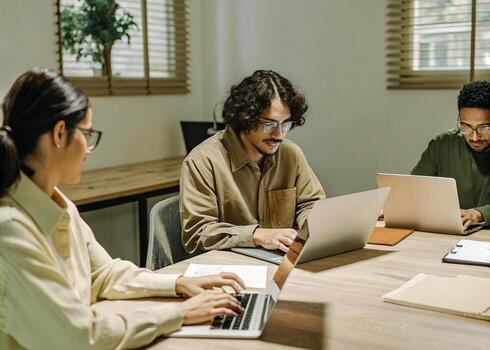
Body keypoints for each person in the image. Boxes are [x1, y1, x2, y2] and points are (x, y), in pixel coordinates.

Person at [0, 69, 245, 350]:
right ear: (58, 133)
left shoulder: (60, 204)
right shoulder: (10, 232)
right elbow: (79, 337)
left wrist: (178, 283)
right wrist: (180, 314)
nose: (90, 148)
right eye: (87, 134)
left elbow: (104, 274)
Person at [180, 70, 325, 254]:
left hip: (279, 262)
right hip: (228, 270)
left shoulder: (291, 154)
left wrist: (311, 227)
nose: (279, 134)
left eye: (285, 124)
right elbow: (197, 234)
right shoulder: (202, 161)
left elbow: (312, 204)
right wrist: (256, 235)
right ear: (245, 118)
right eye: (269, 124)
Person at [411, 81, 490, 229]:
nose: (474, 137)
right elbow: (414, 190)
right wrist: (395, 207)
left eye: (484, 127)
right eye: (465, 126)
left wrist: (481, 213)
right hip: (448, 231)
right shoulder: (442, 145)